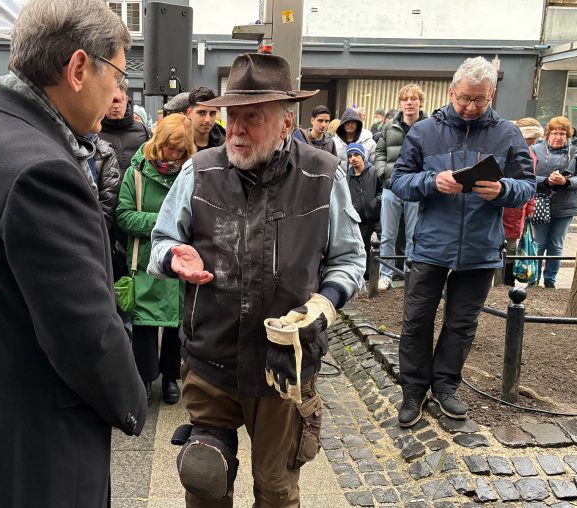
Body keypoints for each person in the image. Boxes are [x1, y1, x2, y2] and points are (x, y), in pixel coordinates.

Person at [0, 0, 147, 505]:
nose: (119, 91)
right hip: (39, 451)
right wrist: (132, 403)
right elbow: (84, 333)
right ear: (77, 68)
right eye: (116, 73)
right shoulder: (40, 167)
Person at [148, 53, 365, 507]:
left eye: (252, 117)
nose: (237, 129)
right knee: (204, 478)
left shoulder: (324, 175)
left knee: (277, 490)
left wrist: (320, 307)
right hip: (212, 360)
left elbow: (349, 259)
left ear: (287, 123)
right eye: (233, 116)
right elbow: (161, 239)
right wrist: (173, 258)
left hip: (285, 367)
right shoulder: (199, 170)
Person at [391, 56, 535, 427]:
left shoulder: (508, 133)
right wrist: (431, 182)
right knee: (417, 321)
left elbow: (527, 186)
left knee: (461, 323)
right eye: (465, 99)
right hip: (431, 246)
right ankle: (412, 391)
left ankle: (446, 387)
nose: (471, 107)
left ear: (492, 96)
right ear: (451, 92)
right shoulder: (423, 132)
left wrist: (503, 189)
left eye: (480, 100)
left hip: (481, 249)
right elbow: (399, 181)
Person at [117, 113, 195, 406]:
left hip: (179, 259)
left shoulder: (189, 175)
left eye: (179, 150)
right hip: (145, 260)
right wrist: (164, 221)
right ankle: (145, 378)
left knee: (176, 325)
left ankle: (170, 377)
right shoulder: (136, 172)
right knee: (145, 324)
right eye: (168, 148)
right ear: (157, 142)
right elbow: (124, 216)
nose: (172, 156)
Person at [374, 84, 428, 291]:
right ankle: (386, 274)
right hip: (391, 187)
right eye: (405, 99)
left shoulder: (429, 126)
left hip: (416, 187)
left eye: (414, 99)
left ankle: (410, 272)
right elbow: (379, 153)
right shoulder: (389, 127)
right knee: (388, 233)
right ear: (400, 103)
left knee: (414, 234)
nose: (409, 103)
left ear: (420, 102)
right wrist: (382, 173)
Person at [530, 116, 577, 288]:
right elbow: (526, 175)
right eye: (554, 133)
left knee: (556, 244)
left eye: (562, 133)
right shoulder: (534, 150)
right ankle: (533, 280)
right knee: (538, 242)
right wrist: (546, 181)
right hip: (540, 203)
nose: (558, 137)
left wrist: (566, 182)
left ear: (568, 136)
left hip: (565, 206)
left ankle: (550, 281)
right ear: (547, 134)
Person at [498, 118, 540, 285]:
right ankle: (503, 280)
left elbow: (530, 182)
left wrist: (530, 205)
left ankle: (505, 280)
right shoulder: (523, 152)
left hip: (515, 205)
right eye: (531, 138)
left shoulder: (528, 152)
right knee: (507, 245)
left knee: (510, 245)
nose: (533, 141)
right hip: (510, 203)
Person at [346, 143, 381, 280]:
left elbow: (383, 189)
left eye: (356, 155)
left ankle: (379, 274)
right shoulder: (347, 176)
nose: (353, 158)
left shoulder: (374, 171)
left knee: (380, 245)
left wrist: (376, 202)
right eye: (350, 156)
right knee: (362, 247)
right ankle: (366, 276)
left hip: (376, 215)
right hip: (359, 219)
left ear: (362, 156)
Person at [101, 79, 151, 172]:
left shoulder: (143, 131)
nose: (116, 106)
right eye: (112, 100)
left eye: (120, 100)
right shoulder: (93, 131)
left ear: (127, 100)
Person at [186, 87, 225, 151]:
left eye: (212, 113)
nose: (208, 120)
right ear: (189, 113)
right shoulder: (178, 145)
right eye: (201, 113)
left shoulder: (225, 146)